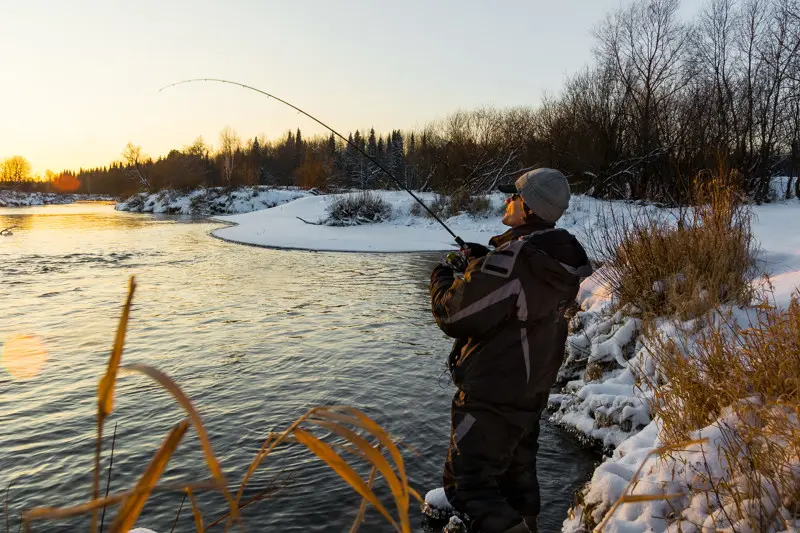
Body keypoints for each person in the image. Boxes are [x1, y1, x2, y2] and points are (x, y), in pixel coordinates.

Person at [429, 168, 592, 533]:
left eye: (513, 197)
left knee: (468, 488)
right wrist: (482, 260)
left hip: (493, 392)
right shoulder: (556, 256)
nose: (506, 201)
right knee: (516, 482)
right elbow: (519, 299)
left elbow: (454, 315)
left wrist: (441, 275)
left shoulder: (515, 261)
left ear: (530, 208)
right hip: (529, 390)